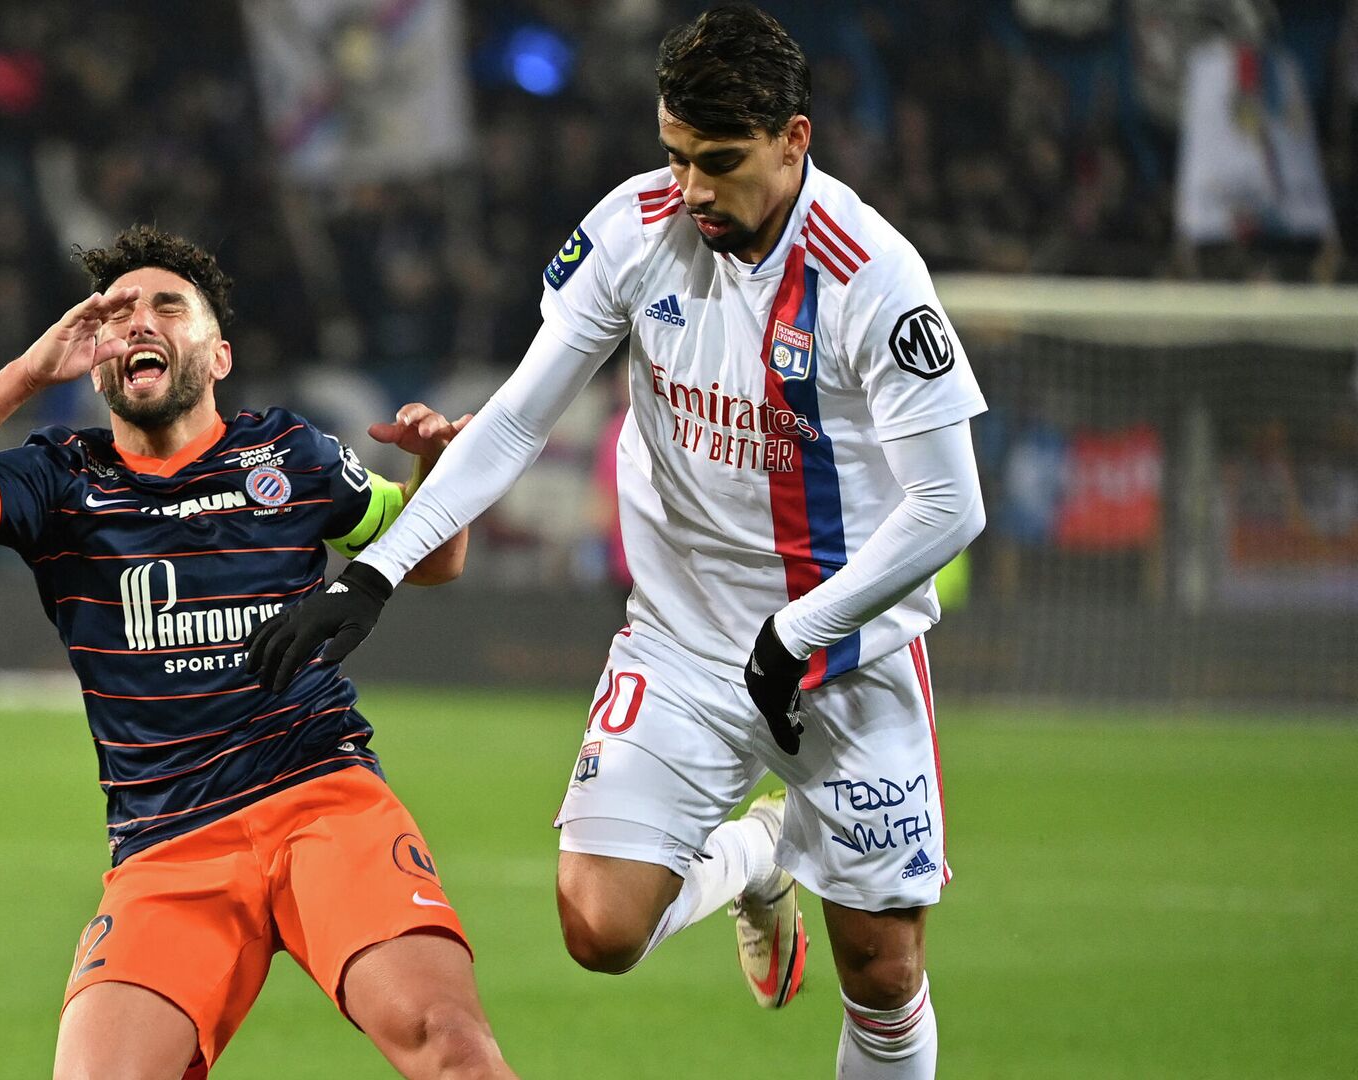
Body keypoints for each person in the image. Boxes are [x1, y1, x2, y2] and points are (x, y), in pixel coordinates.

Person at [248, 7, 987, 1078]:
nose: (692, 188)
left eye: (720, 163)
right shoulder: (640, 230)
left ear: (795, 139)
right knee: (599, 928)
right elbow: (514, 419)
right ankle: (756, 853)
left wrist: (801, 630)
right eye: (676, 155)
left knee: (879, 970)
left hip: (843, 655)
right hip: (682, 642)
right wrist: (376, 571)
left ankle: (780, 840)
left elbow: (948, 506)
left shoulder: (871, 275)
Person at [0, 225, 515, 1080]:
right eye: (118, 311)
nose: (139, 322)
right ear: (95, 361)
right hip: (169, 844)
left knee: (452, 1047)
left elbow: (434, 560)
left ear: (219, 353)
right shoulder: (58, 480)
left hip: (322, 800)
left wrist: (435, 472)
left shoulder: (291, 454)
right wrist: (26, 373)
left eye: (168, 306)